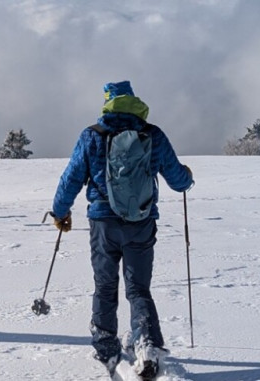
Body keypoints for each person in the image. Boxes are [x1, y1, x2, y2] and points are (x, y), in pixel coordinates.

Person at [50, 81, 193, 378]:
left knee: (104, 286)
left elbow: (71, 178)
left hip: (103, 223)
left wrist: (61, 212)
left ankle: (106, 347)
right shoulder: (152, 134)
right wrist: (187, 176)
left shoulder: (92, 135)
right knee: (138, 288)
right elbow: (178, 181)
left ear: (108, 103)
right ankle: (147, 346)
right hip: (141, 223)